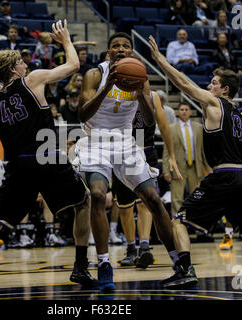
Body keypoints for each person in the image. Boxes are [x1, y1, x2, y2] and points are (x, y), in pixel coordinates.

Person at [0, 20, 96, 295]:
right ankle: (80, 266)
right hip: (46, 157)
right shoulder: (31, 80)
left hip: (18, 164)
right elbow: (72, 67)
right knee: (84, 202)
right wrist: (67, 41)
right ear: (14, 68)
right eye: (21, 62)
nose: (25, 64)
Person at [75, 32, 179, 291]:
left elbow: (150, 122)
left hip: (125, 142)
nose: (121, 49)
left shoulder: (138, 75)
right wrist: (109, 86)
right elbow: (81, 113)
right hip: (95, 141)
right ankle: (103, 263)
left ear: (131, 52)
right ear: (108, 51)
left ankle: (180, 262)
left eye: (126, 46)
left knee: (153, 199)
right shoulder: (95, 75)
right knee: (98, 195)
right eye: (115, 46)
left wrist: (143, 94)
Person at [149, 34, 242, 288]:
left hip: (224, 176)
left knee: (178, 221)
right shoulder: (239, 116)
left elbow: (184, 84)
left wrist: (159, 60)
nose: (208, 86)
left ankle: (185, 270)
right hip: (240, 176)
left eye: (213, 83)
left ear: (225, 90)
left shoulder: (215, 103)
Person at [115, 90, 182, 267]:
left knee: (146, 203)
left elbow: (164, 125)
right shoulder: (114, 94)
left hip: (146, 150)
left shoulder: (152, 96)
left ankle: (144, 247)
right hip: (121, 152)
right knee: (125, 206)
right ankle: (130, 249)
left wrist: (172, 156)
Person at [163, 103, 210, 217]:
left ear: (190, 112)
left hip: (195, 167)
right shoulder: (171, 128)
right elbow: (166, 151)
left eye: (186, 109)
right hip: (178, 168)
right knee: (177, 198)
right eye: (181, 109)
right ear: (177, 112)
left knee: (197, 197)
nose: (184, 111)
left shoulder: (198, 127)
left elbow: (203, 149)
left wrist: (208, 168)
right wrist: (166, 170)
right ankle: (178, 225)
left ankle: (196, 224)